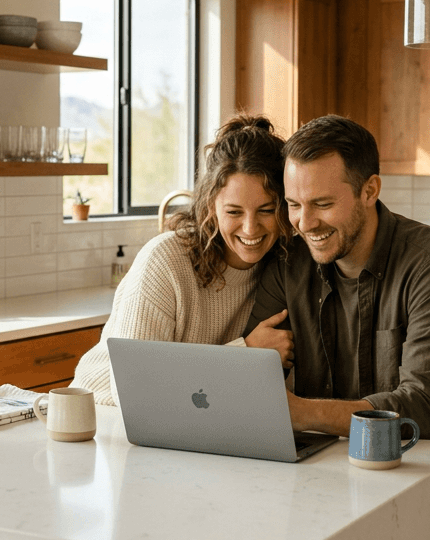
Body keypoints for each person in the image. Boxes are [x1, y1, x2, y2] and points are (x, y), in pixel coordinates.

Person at [245, 114, 430, 536]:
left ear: (370, 190)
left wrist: (298, 413)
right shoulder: (288, 264)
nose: (304, 223)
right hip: (341, 468)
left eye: (323, 204)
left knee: (331, 537)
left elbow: (423, 408)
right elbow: (256, 376)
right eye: (294, 205)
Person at [74, 115, 296, 408]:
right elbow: (134, 388)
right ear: (210, 206)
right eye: (234, 212)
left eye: (266, 210)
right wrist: (247, 354)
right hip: (103, 418)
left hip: (186, 423)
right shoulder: (164, 261)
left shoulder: (281, 268)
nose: (251, 228)